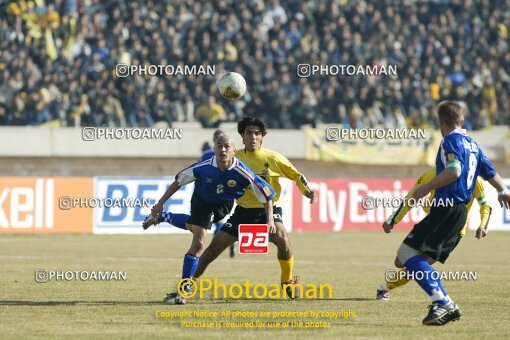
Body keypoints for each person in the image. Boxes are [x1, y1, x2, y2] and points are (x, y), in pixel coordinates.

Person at [391, 101, 509, 325]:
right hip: (460, 214)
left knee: (406, 254)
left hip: (446, 208)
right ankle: (444, 303)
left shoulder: (449, 141)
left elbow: (454, 171)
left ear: (440, 122)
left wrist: (425, 188)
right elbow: (489, 171)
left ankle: (443, 301)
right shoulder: (473, 145)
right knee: (404, 260)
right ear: (461, 120)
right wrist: (503, 190)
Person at [190, 116, 317, 299]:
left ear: (262, 137)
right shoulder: (234, 157)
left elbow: (297, 175)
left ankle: (287, 282)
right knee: (213, 249)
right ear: (242, 136)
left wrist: (308, 191)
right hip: (242, 212)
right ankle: (188, 284)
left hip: (268, 211)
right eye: (249, 133)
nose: (253, 137)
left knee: (283, 240)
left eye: (257, 133)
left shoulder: (273, 158)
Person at [142, 134, 276, 304]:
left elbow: (266, 194)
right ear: (214, 149)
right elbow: (178, 181)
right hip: (201, 200)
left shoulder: (243, 172)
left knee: (193, 226)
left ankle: (165, 217)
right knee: (198, 243)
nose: (223, 149)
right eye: (219, 146)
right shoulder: (203, 167)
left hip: (224, 205)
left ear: (234, 151)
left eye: (227, 146)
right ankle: (184, 290)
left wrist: (270, 220)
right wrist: (160, 203)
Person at [376, 169, 492, 300]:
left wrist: (483, 225)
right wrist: (393, 220)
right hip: (432, 223)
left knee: (416, 267)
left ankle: (385, 288)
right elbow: (411, 197)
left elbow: (485, 204)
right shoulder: (434, 173)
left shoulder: (474, 179)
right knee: (400, 262)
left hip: (453, 231)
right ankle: (440, 299)